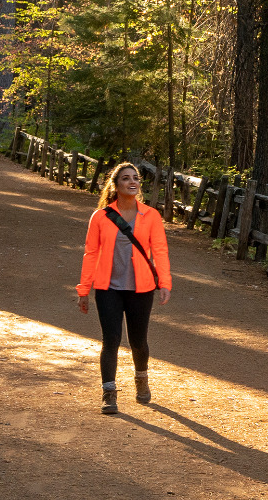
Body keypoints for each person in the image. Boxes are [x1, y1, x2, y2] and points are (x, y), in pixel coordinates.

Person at [76, 163, 173, 414]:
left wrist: (164, 282)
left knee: (138, 341)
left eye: (136, 178)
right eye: (126, 178)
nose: (133, 182)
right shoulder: (101, 217)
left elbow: (160, 251)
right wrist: (83, 289)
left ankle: (141, 379)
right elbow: (90, 253)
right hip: (108, 287)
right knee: (111, 340)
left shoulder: (151, 216)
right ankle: (109, 393)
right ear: (115, 185)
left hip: (141, 288)